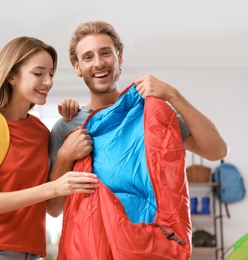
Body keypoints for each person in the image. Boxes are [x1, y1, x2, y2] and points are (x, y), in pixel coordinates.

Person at [48, 20, 228, 218]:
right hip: (94, 244)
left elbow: (216, 150)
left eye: (106, 52)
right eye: (88, 57)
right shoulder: (67, 126)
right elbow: (54, 209)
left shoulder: (151, 114)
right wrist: (65, 157)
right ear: (77, 67)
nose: (98, 63)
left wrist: (174, 96)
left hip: (149, 239)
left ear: (120, 56)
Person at [0, 36, 98, 260]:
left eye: (51, 73)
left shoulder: (41, 132)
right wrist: (54, 187)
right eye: (38, 73)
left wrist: (74, 117)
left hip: (32, 253)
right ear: (11, 75)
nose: (48, 82)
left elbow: (52, 208)